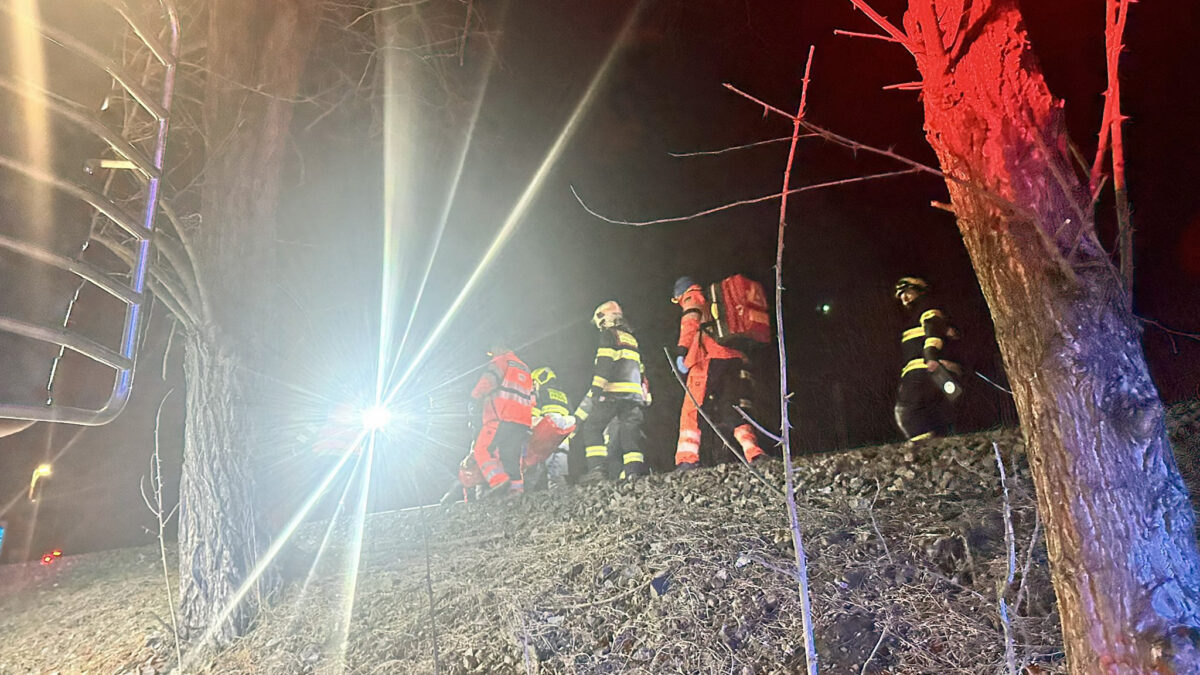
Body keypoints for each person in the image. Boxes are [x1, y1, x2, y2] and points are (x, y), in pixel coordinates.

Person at [671, 277, 765, 470]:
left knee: (691, 409)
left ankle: (687, 459)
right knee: (732, 409)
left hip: (709, 358)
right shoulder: (713, 301)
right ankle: (754, 452)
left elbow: (690, 322)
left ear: (679, 295)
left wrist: (681, 350)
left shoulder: (692, 296)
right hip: (734, 358)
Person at [575, 301, 650, 483]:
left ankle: (597, 470)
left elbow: (604, 365)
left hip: (612, 394)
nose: (600, 327)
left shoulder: (609, 336)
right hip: (633, 397)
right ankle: (634, 472)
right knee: (629, 433)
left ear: (605, 318)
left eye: (601, 323)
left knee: (592, 427)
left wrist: (595, 390)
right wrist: (645, 393)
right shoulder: (632, 339)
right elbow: (641, 370)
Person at [893, 277, 963, 442]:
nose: (904, 298)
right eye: (901, 294)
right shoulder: (915, 318)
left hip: (925, 369)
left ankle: (926, 450)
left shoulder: (928, 309)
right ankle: (941, 443)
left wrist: (931, 358)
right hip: (930, 370)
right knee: (937, 409)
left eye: (908, 292)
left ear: (919, 291)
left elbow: (933, 334)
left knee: (907, 412)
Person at [468, 342, 534, 495]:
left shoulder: (501, 361)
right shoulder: (525, 368)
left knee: (482, 449)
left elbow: (487, 382)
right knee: (511, 457)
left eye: (492, 351)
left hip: (500, 416)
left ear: (500, 347)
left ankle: (497, 480)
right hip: (522, 420)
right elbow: (532, 397)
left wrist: (474, 398)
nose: (492, 354)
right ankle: (516, 492)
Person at [530, 367, 574, 489]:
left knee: (540, 459)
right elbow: (571, 413)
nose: (534, 385)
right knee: (560, 457)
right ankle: (559, 488)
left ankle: (532, 489)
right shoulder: (563, 395)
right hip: (564, 429)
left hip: (547, 428)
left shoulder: (541, 392)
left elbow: (534, 412)